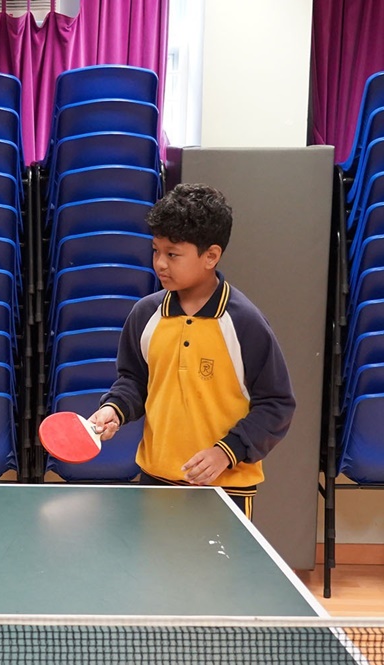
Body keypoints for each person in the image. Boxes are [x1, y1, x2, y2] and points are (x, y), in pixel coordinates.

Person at [88, 183, 295, 519]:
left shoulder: (245, 323)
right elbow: (134, 381)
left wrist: (226, 452)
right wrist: (115, 409)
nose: (160, 263)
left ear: (210, 256)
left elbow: (277, 405)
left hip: (224, 489)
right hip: (155, 480)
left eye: (172, 254)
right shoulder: (145, 314)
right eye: (156, 251)